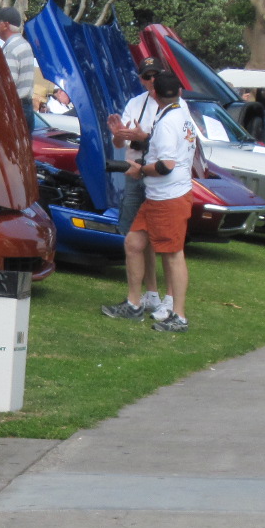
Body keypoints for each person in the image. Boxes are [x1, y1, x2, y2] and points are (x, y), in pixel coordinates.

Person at [102, 72, 197, 332]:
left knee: (173, 255)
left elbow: (166, 165)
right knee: (133, 243)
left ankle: (179, 316)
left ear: (154, 94)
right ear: (179, 91)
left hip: (170, 197)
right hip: (157, 196)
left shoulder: (168, 123)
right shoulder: (181, 114)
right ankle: (134, 305)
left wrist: (139, 169)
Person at [106, 59, 169, 318]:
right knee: (137, 236)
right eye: (146, 76)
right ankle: (150, 294)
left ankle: (167, 299)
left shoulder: (173, 105)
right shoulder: (136, 102)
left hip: (159, 175)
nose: (151, 81)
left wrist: (144, 137)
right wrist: (120, 134)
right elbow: (120, 140)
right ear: (141, 78)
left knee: (163, 238)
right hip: (135, 170)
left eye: (155, 75)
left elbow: (170, 147)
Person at [0, 7, 35, 116]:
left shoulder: (11, 49)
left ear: (5, 25)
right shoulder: (24, 44)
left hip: (15, 109)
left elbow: (8, 84)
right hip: (27, 107)